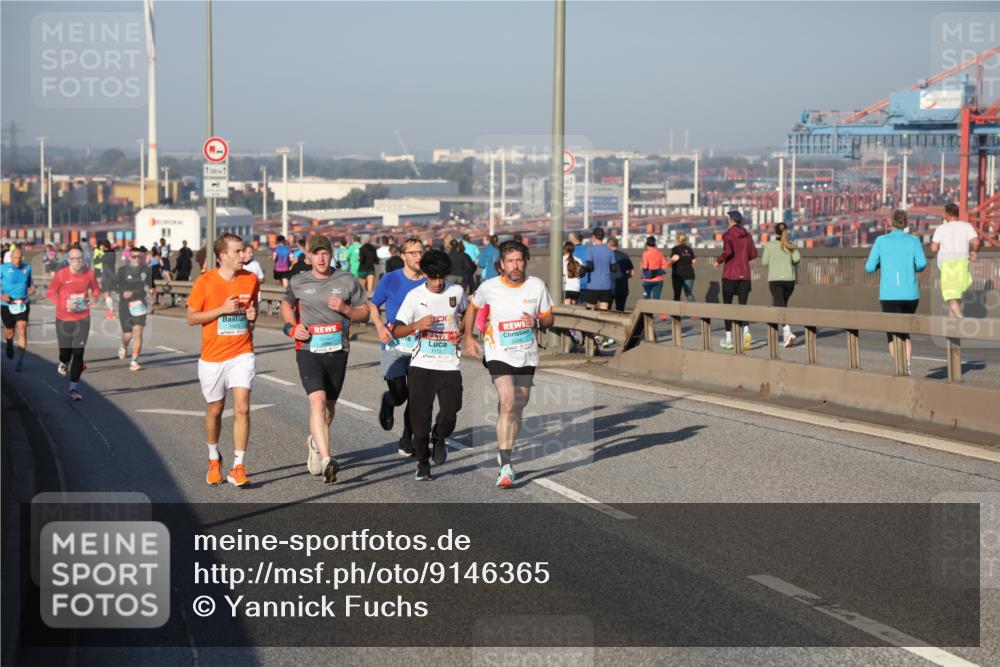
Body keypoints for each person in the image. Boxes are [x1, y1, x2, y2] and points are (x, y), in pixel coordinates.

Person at [463, 240, 554, 488]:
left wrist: (536, 324)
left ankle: (506, 440)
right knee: (508, 399)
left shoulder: (536, 286)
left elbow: (549, 319)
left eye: (519, 260)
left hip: (526, 354)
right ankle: (505, 465)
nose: (515, 265)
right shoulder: (489, 286)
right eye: (510, 261)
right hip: (498, 352)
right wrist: (469, 337)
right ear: (501, 264)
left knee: (518, 404)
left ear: (525, 261)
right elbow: (472, 307)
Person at [281, 235, 370, 483]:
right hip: (308, 350)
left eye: (325, 253)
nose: (321, 257)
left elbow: (365, 314)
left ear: (331, 255)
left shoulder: (347, 280)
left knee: (328, 409)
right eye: (316, 253)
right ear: (308, 256)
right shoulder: (298, 281)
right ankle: (327, 458)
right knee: (317, 402)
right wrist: (292, 326)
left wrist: (346, 310)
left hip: (337, 352)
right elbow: (286, 305)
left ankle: (314, 442)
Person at [187, 233, 260, 488]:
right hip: (212, 357)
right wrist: (221, 310)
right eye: (238, 251)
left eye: (244, 251)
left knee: (242, 408)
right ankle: (213, 458)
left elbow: (253, 310)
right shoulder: (205, 282)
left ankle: (238, 466)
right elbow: (192, 318)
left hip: (242, 351)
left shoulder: (250, 279)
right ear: (223, 256)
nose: (244, 255)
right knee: (215, 410)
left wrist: (252, 315)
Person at [392, 249, 467, 481]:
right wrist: (417, 325)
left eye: (441, 277)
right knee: (419, 422)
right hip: (422, 366)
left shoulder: (456, 291)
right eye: (432, 277)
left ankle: (440, 436)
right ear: (425, 274)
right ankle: (423, 464)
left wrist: (461, 332)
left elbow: (465, 317)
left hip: (449, 365)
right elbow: (396, 329)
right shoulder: (415, 296)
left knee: (451, 411)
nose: (437, 282)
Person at [369, 237, 427, 455]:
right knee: (400, 394)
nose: (418, 257)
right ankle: (389, 400)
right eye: (413, 253)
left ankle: (406, 439)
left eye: (421, 252)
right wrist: (379, 327)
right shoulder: (390, 279)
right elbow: (373, 305)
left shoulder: (429, 279)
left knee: (417, 395)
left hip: (420, 342)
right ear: (402, 256)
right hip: (393, 341)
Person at [865, 210, 927, 376]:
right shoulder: (914, 240)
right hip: (911, 294)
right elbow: (921, 263)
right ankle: (907, 366)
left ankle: (900, 368)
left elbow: (869, 267)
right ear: (906, 223)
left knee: (892, 334)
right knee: (905, 332)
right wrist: (909, 266)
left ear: (890, 223)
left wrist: (881, 265)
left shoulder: (881, 241)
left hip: (889, 294)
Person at [46, 245, 101, 400]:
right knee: (65, 353)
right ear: (68, 260)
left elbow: (96, 290)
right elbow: (50, 292)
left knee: (78, 353)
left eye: (80, 258)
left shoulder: (89, 274)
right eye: (74, 259)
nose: (78, 261)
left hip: (82, 318)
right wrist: (64, 304)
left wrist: (94, 297)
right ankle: (63, 362)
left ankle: (73, 388)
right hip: (63, 318)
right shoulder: (61, 274)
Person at [715, 210, 758, 351]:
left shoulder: (727, 235)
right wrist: (743, 259)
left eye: (728, 218)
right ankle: (746, 331)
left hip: (730, 276)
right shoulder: (748, 236)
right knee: (743, 306)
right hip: (744, 275)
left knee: (728, 308)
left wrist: (718, 261)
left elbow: (728, 252)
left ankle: (728, 339)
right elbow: (753, 254)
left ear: (731, 220)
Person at [930, 202, 980, 318]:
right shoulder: (967, 226)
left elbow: (933, 248)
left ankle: (962, 323)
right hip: (962, 264)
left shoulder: (941, 228)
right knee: (956, 299)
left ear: (947, 214)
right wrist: (974, 252)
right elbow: (976, 242)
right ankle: (952, 333)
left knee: (950, 298)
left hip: (947, 266)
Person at [115, 245, 156, 371]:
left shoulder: (146, 270)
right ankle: (123, 345)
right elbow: (115, 286)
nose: (137, 259)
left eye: (139, 257)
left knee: (138, 333)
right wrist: (122, 293)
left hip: (139, 305)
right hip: (125, 305)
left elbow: (151, 285)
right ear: (129, 257)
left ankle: (134, 361)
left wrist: (152, 290)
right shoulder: (122, 270)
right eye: (134, 257)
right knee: (127, 335)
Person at [761, 222, 801, 347]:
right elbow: (797, 259)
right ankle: (782, 334)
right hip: (789, 280)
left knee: (781, 305)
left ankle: (787, 330)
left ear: (775, 232)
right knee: (781, 304)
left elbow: (764, 262)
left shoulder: (770, 246)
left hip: (775, 280)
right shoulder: (791, 245)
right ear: (786, 232)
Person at [1, 247, 36, 372]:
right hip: (6, 305)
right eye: (15, 257)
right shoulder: (3, 268)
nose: (18, 260)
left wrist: (32, 288)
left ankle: (20, 360)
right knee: (10, 332)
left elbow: (31, 283)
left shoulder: (27, 268)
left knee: (22, 328)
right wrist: (1, 296)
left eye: (20, 257)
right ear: (11, 258)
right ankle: (9, 343)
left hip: (23, 303)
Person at [579, 227, 615, 311]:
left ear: (593, 237)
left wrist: (583, 269)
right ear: (603, 237)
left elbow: (590, 266)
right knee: (603, 311)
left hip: (593, 286)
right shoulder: (610, 251)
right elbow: (614, 268)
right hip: (606, 286)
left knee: (590, 312)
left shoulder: (590, 250)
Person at [607, 237, 634, 312]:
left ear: (608, 245)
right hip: (622, 288)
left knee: (606, 310)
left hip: (608, 288)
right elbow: (632, 273)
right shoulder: (625, 256)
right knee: (620, 310)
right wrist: (624, 277)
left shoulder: (606, 256)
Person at [669, 233, 696, 303]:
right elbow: (693, 261)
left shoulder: (676, 249)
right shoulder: (689, 249)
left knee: (677, 294)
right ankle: (695, 312)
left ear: (677, 240)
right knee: (689, 294)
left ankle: (676, 313)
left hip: (678, 274)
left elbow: (675, 258)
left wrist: (669, 263)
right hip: (689, 274)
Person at [641, 235, 670, 300]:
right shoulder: (660, 253)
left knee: (646, 298)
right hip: (658, 279)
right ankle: (655, 310)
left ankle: (646, 310)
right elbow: (666, 265)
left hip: (647, 280)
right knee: (656, 300)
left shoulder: (645, 254)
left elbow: (645, 266)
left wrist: (642, 265)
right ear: (655, 243)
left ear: (647, 244)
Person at [562, 241, 582, 305]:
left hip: (566, 288)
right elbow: (580, 273)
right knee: (574, 310)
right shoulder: (579, 260)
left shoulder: (561, 260)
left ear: (564, 249)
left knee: (566, 310)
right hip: (576, 289)